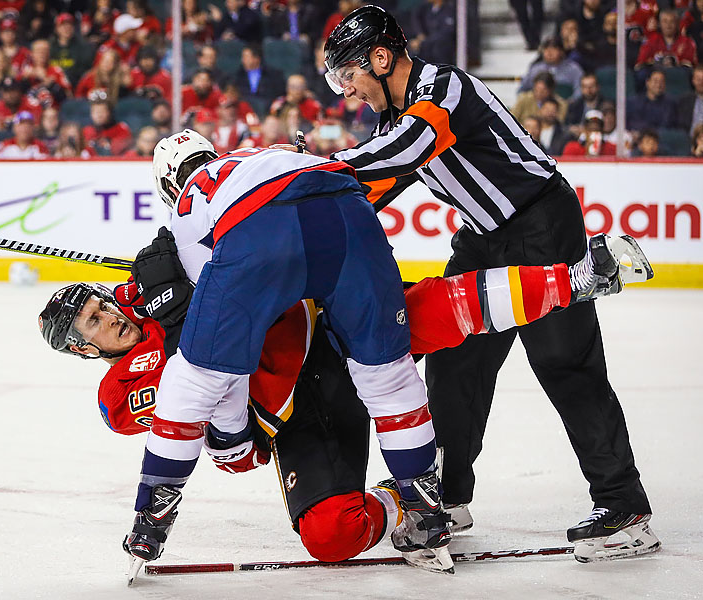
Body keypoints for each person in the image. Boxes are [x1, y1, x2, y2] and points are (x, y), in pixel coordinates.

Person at [39, 139, 650, 577]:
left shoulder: (160, 269)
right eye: (96, 323)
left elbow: (200, 381)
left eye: (100, 304)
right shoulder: (120, 391)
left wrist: (170, 289)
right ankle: (408, 495)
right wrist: (174, 301)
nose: (111, 315)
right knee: (330, 531)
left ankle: (155, 518)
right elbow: (214, 418)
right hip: (301, 399)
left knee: (426, 314)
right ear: (84, 349)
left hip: (321, 327)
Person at [322, 4, 659, 563]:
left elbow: (405, 152)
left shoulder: (442, 89)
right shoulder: (390, 123)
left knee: (564, 365)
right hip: (482, 240)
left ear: (381, 58)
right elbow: (371, 190)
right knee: (455, 365)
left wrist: (319, 170)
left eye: (350, 74)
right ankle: (448, 497)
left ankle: (626, 507)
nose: (348, 90)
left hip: (541, 225)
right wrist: (304, 204)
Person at [117, 128, 457, 578]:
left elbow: (228, 343)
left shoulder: (186, 213)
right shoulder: (264, 155)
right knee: (394, 371)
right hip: (346, 220)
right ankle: (425, 506)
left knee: (195, 380)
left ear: (166, 185)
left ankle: (152, 516)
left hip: (276, 268)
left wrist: (229, 440)